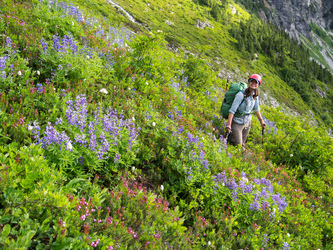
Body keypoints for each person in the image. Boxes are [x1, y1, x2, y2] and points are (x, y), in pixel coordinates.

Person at [225, 74, 266, 147]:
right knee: (238, 146)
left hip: (247, 124)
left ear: (258, 84)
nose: (253, 84)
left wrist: (261, 122)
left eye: (256, 82)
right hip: (237, 123)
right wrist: (228, 125)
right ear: (249, 82)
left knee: (242, 144)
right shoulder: (241, 94)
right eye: (252, 81)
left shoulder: (255, 96)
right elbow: (232, 110)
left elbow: (256, 109)